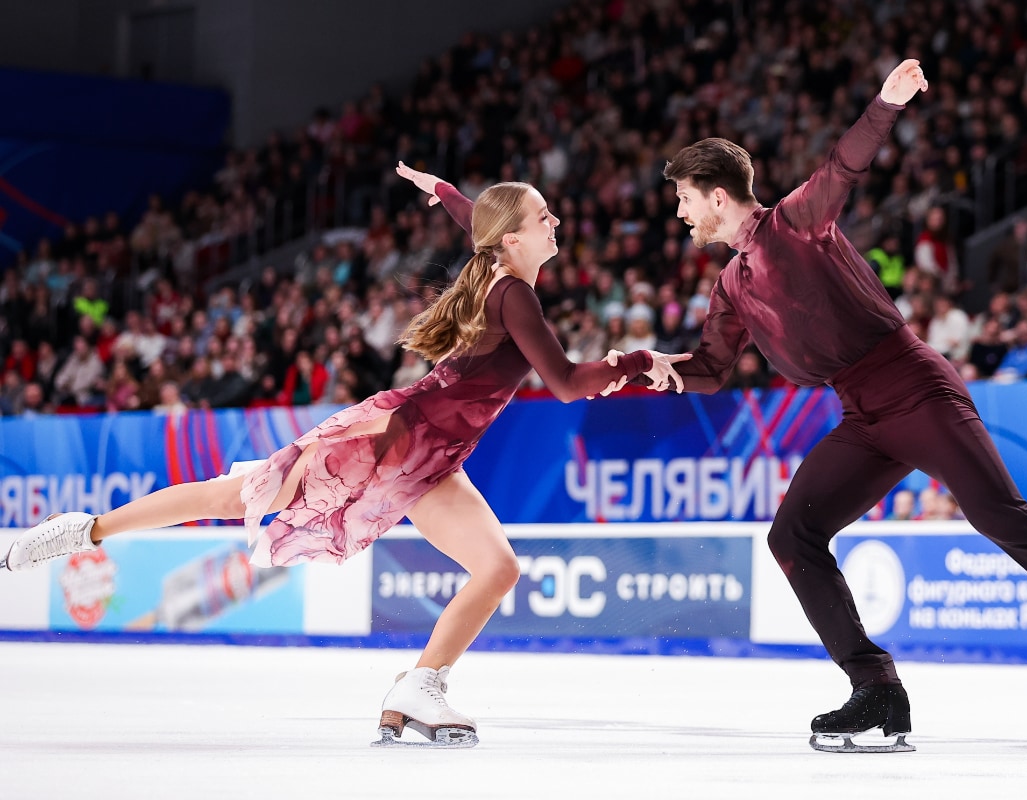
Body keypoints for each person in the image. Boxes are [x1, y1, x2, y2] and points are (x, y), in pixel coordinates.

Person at [2, 175, 690, 750]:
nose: (556, 222)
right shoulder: (512, 292)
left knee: (498, 568)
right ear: (512, 239)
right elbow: (566, 384)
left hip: (435, 457)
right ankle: (84, 530)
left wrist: (445, 192)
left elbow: (474, 223)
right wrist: (636, 361)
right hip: (392, 436)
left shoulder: (495, 266)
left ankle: (420, 686)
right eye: (543, 216)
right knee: (233, 497)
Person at [645, 58, 1027, 752]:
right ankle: (875, 687)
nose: (680, 212)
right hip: (862, 416)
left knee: (1004, 518)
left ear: (718, 195)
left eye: (685, 198)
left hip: (914, 386)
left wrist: (885, 104)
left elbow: (842, 168)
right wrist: (648, 369)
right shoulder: (730, 284)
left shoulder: (792, 222)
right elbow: (708, 369)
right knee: (792, 536)